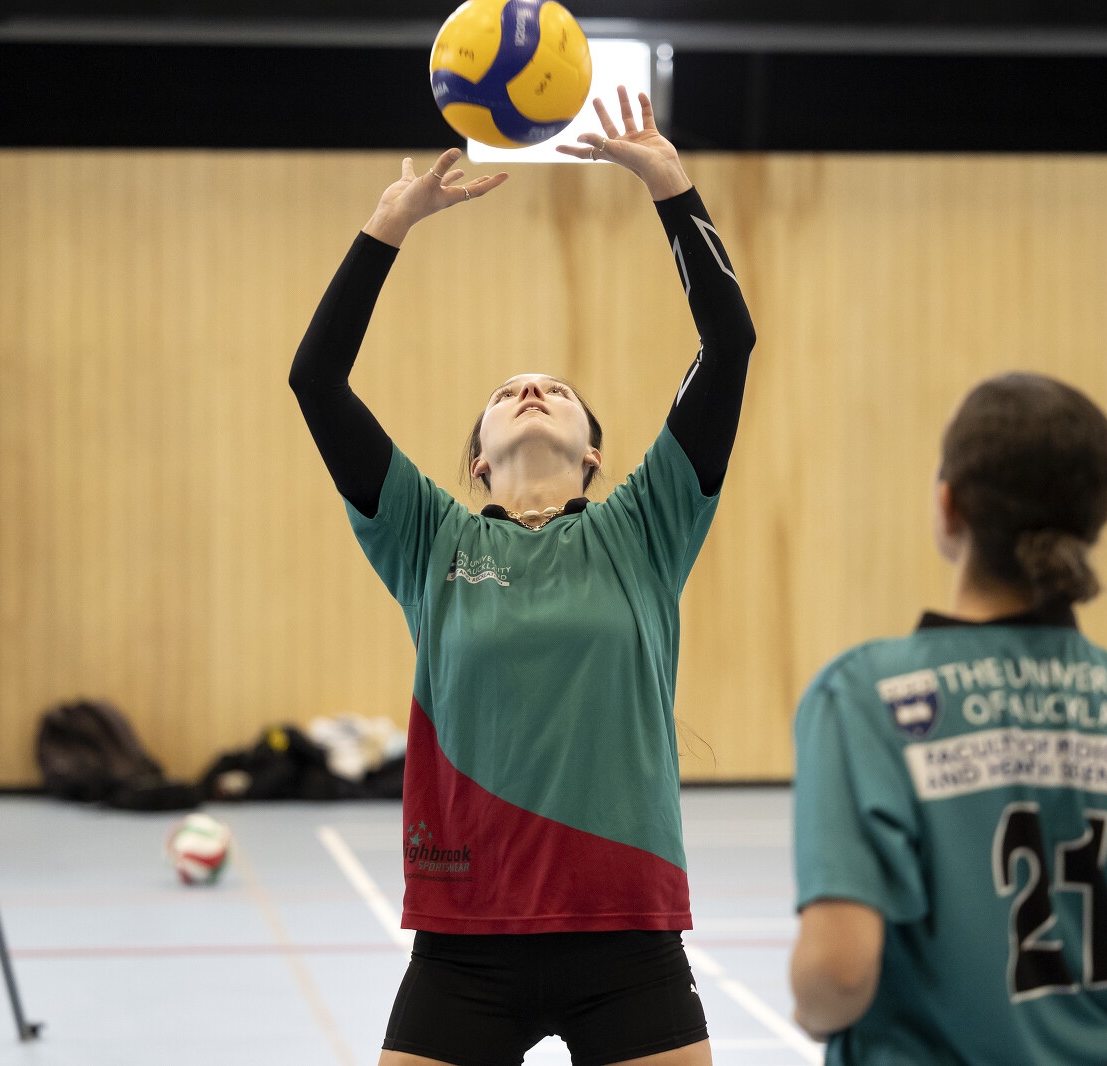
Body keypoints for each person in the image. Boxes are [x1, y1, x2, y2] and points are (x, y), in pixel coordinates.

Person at [289, 87, 755, 1066]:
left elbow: (729, 343)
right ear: (477, 459)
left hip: (627, 933)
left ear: (593, 453)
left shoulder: (647, 525)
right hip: (464, 940)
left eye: (555, 391)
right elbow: (316, 381)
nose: (531, 389)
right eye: (507, 393)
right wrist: (386, 228)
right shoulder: (426, 536)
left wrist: (669, 185)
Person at [790, 373, 1107, 1065]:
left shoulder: (862, 696)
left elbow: (838, 972)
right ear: (1094, 524)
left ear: (949, 506)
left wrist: (812, 1009)